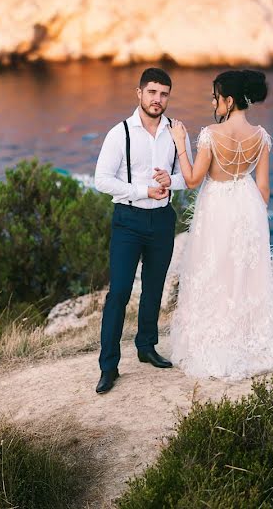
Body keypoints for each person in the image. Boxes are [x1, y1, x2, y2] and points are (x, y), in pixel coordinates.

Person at [167, 69, 273, 380]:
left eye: (216, 97)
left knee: (215, 269)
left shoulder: (211, 134)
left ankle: (214, 340)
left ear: (229, 100)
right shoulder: (261, 136)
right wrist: (252, 213)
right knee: (244, 273)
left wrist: (180, 143)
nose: (214, 101)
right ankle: (249, 339)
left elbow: (193, 179)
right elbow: (263, 188)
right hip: (247, 204)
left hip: (218, 206)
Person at [92, 67, 193, 394]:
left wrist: (170, 182)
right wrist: (143, 190)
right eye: (152, 92)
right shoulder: (119, 133)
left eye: (163, 94)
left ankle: (147, 346)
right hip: (128, 221)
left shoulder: (177, 133)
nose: (157, 99)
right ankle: (109, 367)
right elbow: (102, 180)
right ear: (139, 93)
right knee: (119, 292)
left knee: (154, 287)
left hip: (162, 221)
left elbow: (187, 177)